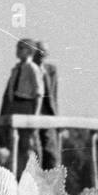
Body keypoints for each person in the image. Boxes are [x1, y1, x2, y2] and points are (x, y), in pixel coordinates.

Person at [0, 39, 47, 171]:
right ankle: (16, 171)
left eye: (21, 48)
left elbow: (39, 92)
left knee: (28, 143)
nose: (17, 51)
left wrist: (35, 114)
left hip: (27, 105)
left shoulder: (32, 68)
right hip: (14, 105)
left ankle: (31, 173)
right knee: (14, 141)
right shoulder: (16, 69)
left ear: (29, 50)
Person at [34, 41, 59, 171]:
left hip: (47, 114)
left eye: (44, 52)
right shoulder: (29, 68)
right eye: (39, 52)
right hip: (33, 114)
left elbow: (54, 95)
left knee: (51, 153)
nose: (41, 55)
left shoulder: (51, 70)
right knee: (36, 152)